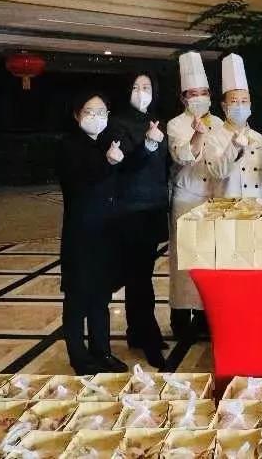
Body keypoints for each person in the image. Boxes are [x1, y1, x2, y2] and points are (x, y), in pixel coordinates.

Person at [58, 92, 128, 374]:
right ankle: (79, 357)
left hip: (105, 231)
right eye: (89, 111)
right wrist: (107, 164)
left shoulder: (107, 143)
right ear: (77, 114)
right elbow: (77, 183)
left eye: (102, 112)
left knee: (101, 296)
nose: (96, 117)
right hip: (80, 232)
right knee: (77, 297)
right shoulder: (68, 146)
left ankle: (102, 351)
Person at [110, 73, 168, 368]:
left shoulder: (156, 120)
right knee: (140, 278)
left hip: (154, 207)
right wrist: (148, 145)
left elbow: (164, 166)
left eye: (146, 87)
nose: (141, 92)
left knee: (142, 273)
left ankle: (136, 331)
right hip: (132, 209)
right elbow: (125, 165)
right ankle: (148, 336)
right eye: (135, 87)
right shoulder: (118, 124)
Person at [167, 51, 224, 341]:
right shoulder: (176, 124)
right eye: (193, 94)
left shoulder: (221, 123)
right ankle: (180, 319)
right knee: (184, 260)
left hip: (213, 198)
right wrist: (198, 135)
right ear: (183, 98)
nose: (199, 98)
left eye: (204, 93)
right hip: (186, 197)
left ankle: (204, 318)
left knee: (208, 259)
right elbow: (182, 156)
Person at [206, 53, 262, 198]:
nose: (240, 105)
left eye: (244, 101)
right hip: (226, 209)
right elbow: (217, 172)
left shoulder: (259, 139)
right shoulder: (213, 138)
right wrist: (234, 146)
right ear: (224, 106)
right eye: (234, 101)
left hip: (257, 208)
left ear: (250, 105)